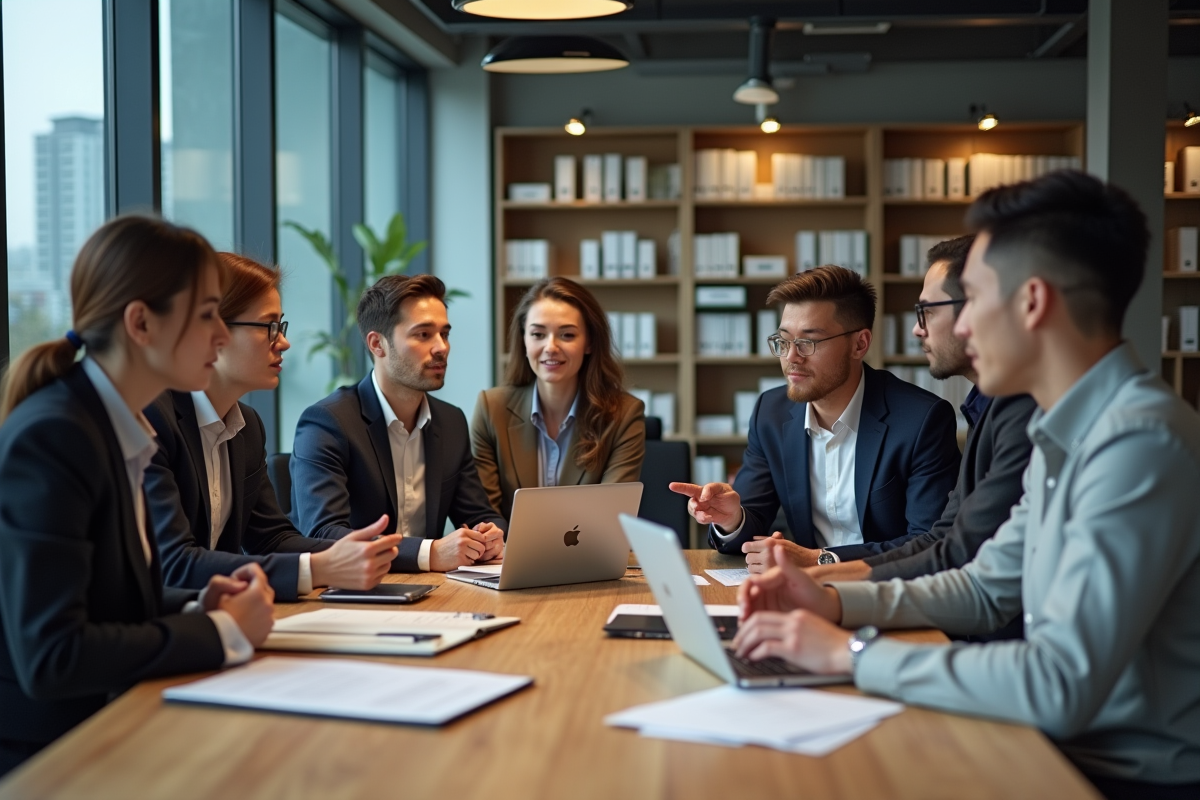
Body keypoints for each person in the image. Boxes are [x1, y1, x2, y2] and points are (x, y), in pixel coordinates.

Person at [733, 171, 1200, 800]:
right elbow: (983, 587)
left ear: (1032, 303)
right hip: (1057, 743)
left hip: (1115, 774)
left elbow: (1057, 684)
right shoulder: (1072, 430)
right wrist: (835, 604)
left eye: (971, 299)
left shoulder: (1138, 443)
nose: (951, 328)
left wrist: (850, 655)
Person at [0, 216, 275, 777]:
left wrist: (199, 605)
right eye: (206, 317)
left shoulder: (115, 428)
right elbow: (55, 656)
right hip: (55, 757)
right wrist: (219, 631)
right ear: (141, 323)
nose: (222, 337)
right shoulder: (57, 435)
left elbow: (107, 605)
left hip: (116, 725)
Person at [752, 236, 1037, 610]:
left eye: (927, 311)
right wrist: (820, 582)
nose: (917, 330)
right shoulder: (989, 410)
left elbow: (950, 554)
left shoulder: (1007, 415)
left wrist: (824, 579)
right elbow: (949, 545)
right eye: (783, 342)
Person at [144, 253, 402, 603]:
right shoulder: (152, 419)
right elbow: (173, 563)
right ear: (213, 330)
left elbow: (271, 538)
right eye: (269, 327)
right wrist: (320, 568)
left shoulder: (247, 427)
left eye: (281, 326)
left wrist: (351, 550)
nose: (283, 342)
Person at [671, 265, 961, 565]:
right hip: (804, 595)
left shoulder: (920, 420)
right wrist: (732, 520)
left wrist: (821, 560)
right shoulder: (770, 413)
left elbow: (929, 544)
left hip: (887, 594)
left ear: (859, 344)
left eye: (808, 342)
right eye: (783, 341)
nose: (791, 357)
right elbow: (751, 520)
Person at [290, 273, 506, 573]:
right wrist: (428, 552)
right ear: (378, 344)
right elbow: (325, 535)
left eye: (445, 333)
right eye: (423, 334)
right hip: (355, 594)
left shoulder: (451, 421)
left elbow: (478, 512)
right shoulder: (328, 422)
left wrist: (492, 535)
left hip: (432, 594)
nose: (442, 347)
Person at [471, 277, 645, 521]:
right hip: (510, 556)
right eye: (538, 334)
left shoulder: (624, 414)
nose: (550, 347)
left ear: (589, 343)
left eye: (567, 335)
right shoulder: (491, 409)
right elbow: (484, 514)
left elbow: (611, 518)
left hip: (589, 556)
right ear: (524, 339)